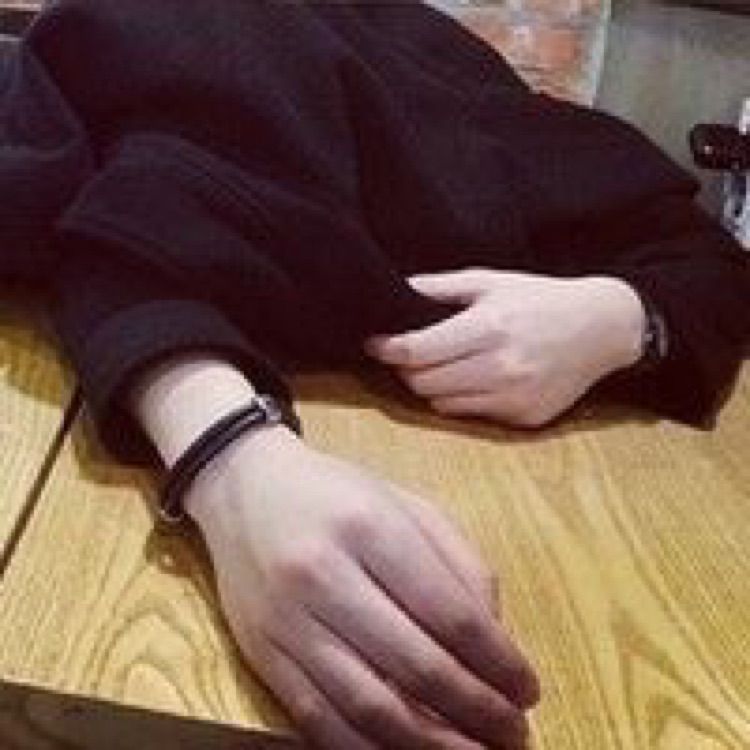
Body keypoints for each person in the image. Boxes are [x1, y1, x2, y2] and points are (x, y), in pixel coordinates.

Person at [2, 2, 749, 748]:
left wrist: (617, 319)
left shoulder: (435, 67)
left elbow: (707, 263)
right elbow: (112, 229)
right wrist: (229, 459)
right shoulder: (128, 36)